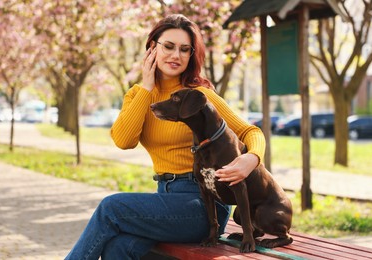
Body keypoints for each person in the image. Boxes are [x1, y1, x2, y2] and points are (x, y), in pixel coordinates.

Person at [65, 14, 265, 260]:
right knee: (118, 247)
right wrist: (147, 89)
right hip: (165, 200)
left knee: (111, 207)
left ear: (191, 55)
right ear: (152, 48)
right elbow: (124, 141)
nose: (176, 55)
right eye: (168, 46)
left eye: (184, 49)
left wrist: (251, 159)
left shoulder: (198, 97)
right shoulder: (138, 95)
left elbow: (250, 131)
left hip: (203, 204)